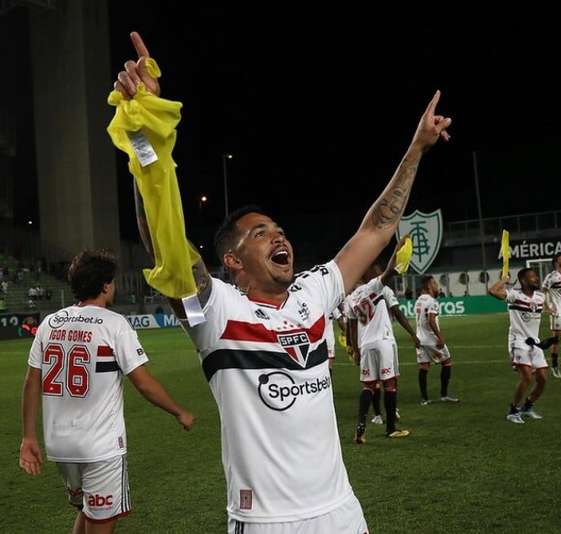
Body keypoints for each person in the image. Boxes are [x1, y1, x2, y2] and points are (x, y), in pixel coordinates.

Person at [114, 31, 451, 533]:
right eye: (261, 233)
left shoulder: (314, 292)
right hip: (266, 521)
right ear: (232, 259)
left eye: (280, 230)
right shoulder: (217, 313)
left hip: (342, 512)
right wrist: (144, 131)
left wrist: (417, 147)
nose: (279, 237)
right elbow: (164, 244)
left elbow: (377, 228)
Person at [19, 250, 194, 534]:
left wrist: (28, 436)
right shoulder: (114, 324)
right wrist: (180, 411)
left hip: (60, 447)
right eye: (111, 282)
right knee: (101, 521)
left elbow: (31, 383)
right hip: (100, 447)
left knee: (86, 510)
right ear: (104, 286)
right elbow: (144, 383)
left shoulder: (50, 323)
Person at [348, 242, 419, 442]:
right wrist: (398, 247)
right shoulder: (375, 286)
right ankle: (390, 429)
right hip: (384, 341)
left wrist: (354, 349)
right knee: (389, 384)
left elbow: (351, 325)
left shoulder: (351, 298)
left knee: (368, 387)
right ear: (367, 274)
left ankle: (360, 430)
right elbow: (390, 271)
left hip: (366, 345)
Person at [488, 269, 556, 424]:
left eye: (536, 277)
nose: (536, 279)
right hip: (518, 341)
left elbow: (540, 306)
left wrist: (550, 310)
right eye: (532, 277)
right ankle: (513, 411)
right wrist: (504, 280)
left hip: (534, 342)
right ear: (524, 281)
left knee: (543, 378)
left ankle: (527, 407)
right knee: (526, 376)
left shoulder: (540, 297)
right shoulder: (515, 295)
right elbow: (492, 291)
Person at [414, 275, 459, 405]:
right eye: (434, 283)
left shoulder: (419, 300)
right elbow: (431, 320)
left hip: (420, 338)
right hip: (431, 339)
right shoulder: (432, 301)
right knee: (447, 362)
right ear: (428, 285)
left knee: (424, 366)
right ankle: (444, 395)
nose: (437, 285)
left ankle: (424, 398)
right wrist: (440, 337)